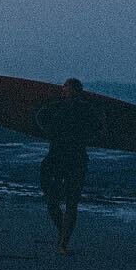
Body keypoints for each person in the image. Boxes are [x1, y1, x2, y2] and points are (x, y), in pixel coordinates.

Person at [34, 78, 105, 256]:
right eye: (64, 87)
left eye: (67, 87)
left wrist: (83, 140)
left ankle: (63, 243)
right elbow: (39, 116)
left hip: (76, 158)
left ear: (77, 90)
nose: (63, 89)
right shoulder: (56, 106)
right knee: (51, 201)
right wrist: (51, 134)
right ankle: (62, 233)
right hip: (56, 157)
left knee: (72, 202)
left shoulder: (86, 109)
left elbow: (99, 126)